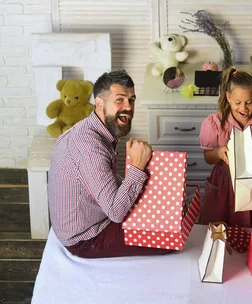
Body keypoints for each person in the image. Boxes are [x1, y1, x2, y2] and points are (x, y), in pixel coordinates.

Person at [48, 70, 170, 258]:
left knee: (163, 216)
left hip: (93, 217)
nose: (128, 107)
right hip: (86, 238)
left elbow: (106, 181)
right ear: (99, 103)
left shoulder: (92, 130)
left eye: (132, 100)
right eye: (120, 99)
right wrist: (137, 167)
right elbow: (115, 212)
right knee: (166, 239)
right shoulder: (90, 148)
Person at [199, 67, 252, 227]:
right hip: (224, 183)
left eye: (249, 102)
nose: (243, 108)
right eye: (238, 102)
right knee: (221, 229)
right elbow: (208, 157)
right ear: (228, 97)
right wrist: (219, 153)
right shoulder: (214, 123)